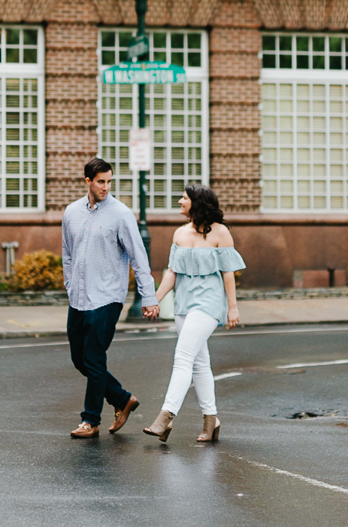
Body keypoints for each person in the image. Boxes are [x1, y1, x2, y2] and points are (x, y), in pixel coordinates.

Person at [61, 157, 155, 439]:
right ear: (87, 181)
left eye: (109, 181)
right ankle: (122, 398)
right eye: (100, 181)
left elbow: (139, 257)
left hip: (107, 297)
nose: (105, 187)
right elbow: (67, 253)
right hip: (78, 297)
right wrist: (69, 285)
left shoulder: (121, 214)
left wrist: (148, 296)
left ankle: (90, 420)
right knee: (80, 359)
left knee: (94, 357)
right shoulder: (71, 212)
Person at [143, 184, 244, 443]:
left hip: (209, 304)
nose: (179, 201)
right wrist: (154, 300)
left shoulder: (220, 233)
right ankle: (211, 421)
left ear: (197, 202)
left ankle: (166, 417)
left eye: (184, 198)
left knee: (183, 357)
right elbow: (172, 272)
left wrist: (232, 307)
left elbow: (228, 273)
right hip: (184, 305)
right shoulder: (179, 234)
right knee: (199, 364)